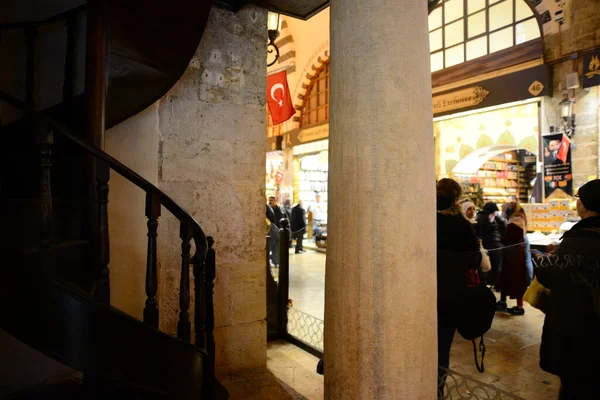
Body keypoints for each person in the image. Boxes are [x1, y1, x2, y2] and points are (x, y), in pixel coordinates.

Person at [535, 179, 600, 399]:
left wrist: (543, 261)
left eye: (579, 199)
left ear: (586, 204)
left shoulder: (577, 239)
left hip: (578, 334)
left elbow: (554, 277)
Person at [436, 179, 481, 397]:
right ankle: (437, 390)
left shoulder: (424, 221)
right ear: (456, 199)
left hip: (422, 292)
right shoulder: (463, 226)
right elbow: (474, 259)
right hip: (451, 295)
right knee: (442, 345)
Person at [496, 204, 532, 315]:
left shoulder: (514, 224)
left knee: (512, 279)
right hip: (516, 254)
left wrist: (501, 236)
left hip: (512, 256)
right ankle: (508, 303)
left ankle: (517, 306)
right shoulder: (520, 220)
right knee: (513, 279)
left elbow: (506, 239)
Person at [475, 202, 507, 285]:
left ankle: (486, 282)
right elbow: (504, 225)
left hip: (484, 244)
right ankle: (495, 283)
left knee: (486, 265)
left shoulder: (479, 216)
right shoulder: (492, 216)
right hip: (495, 244)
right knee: (496, 266)